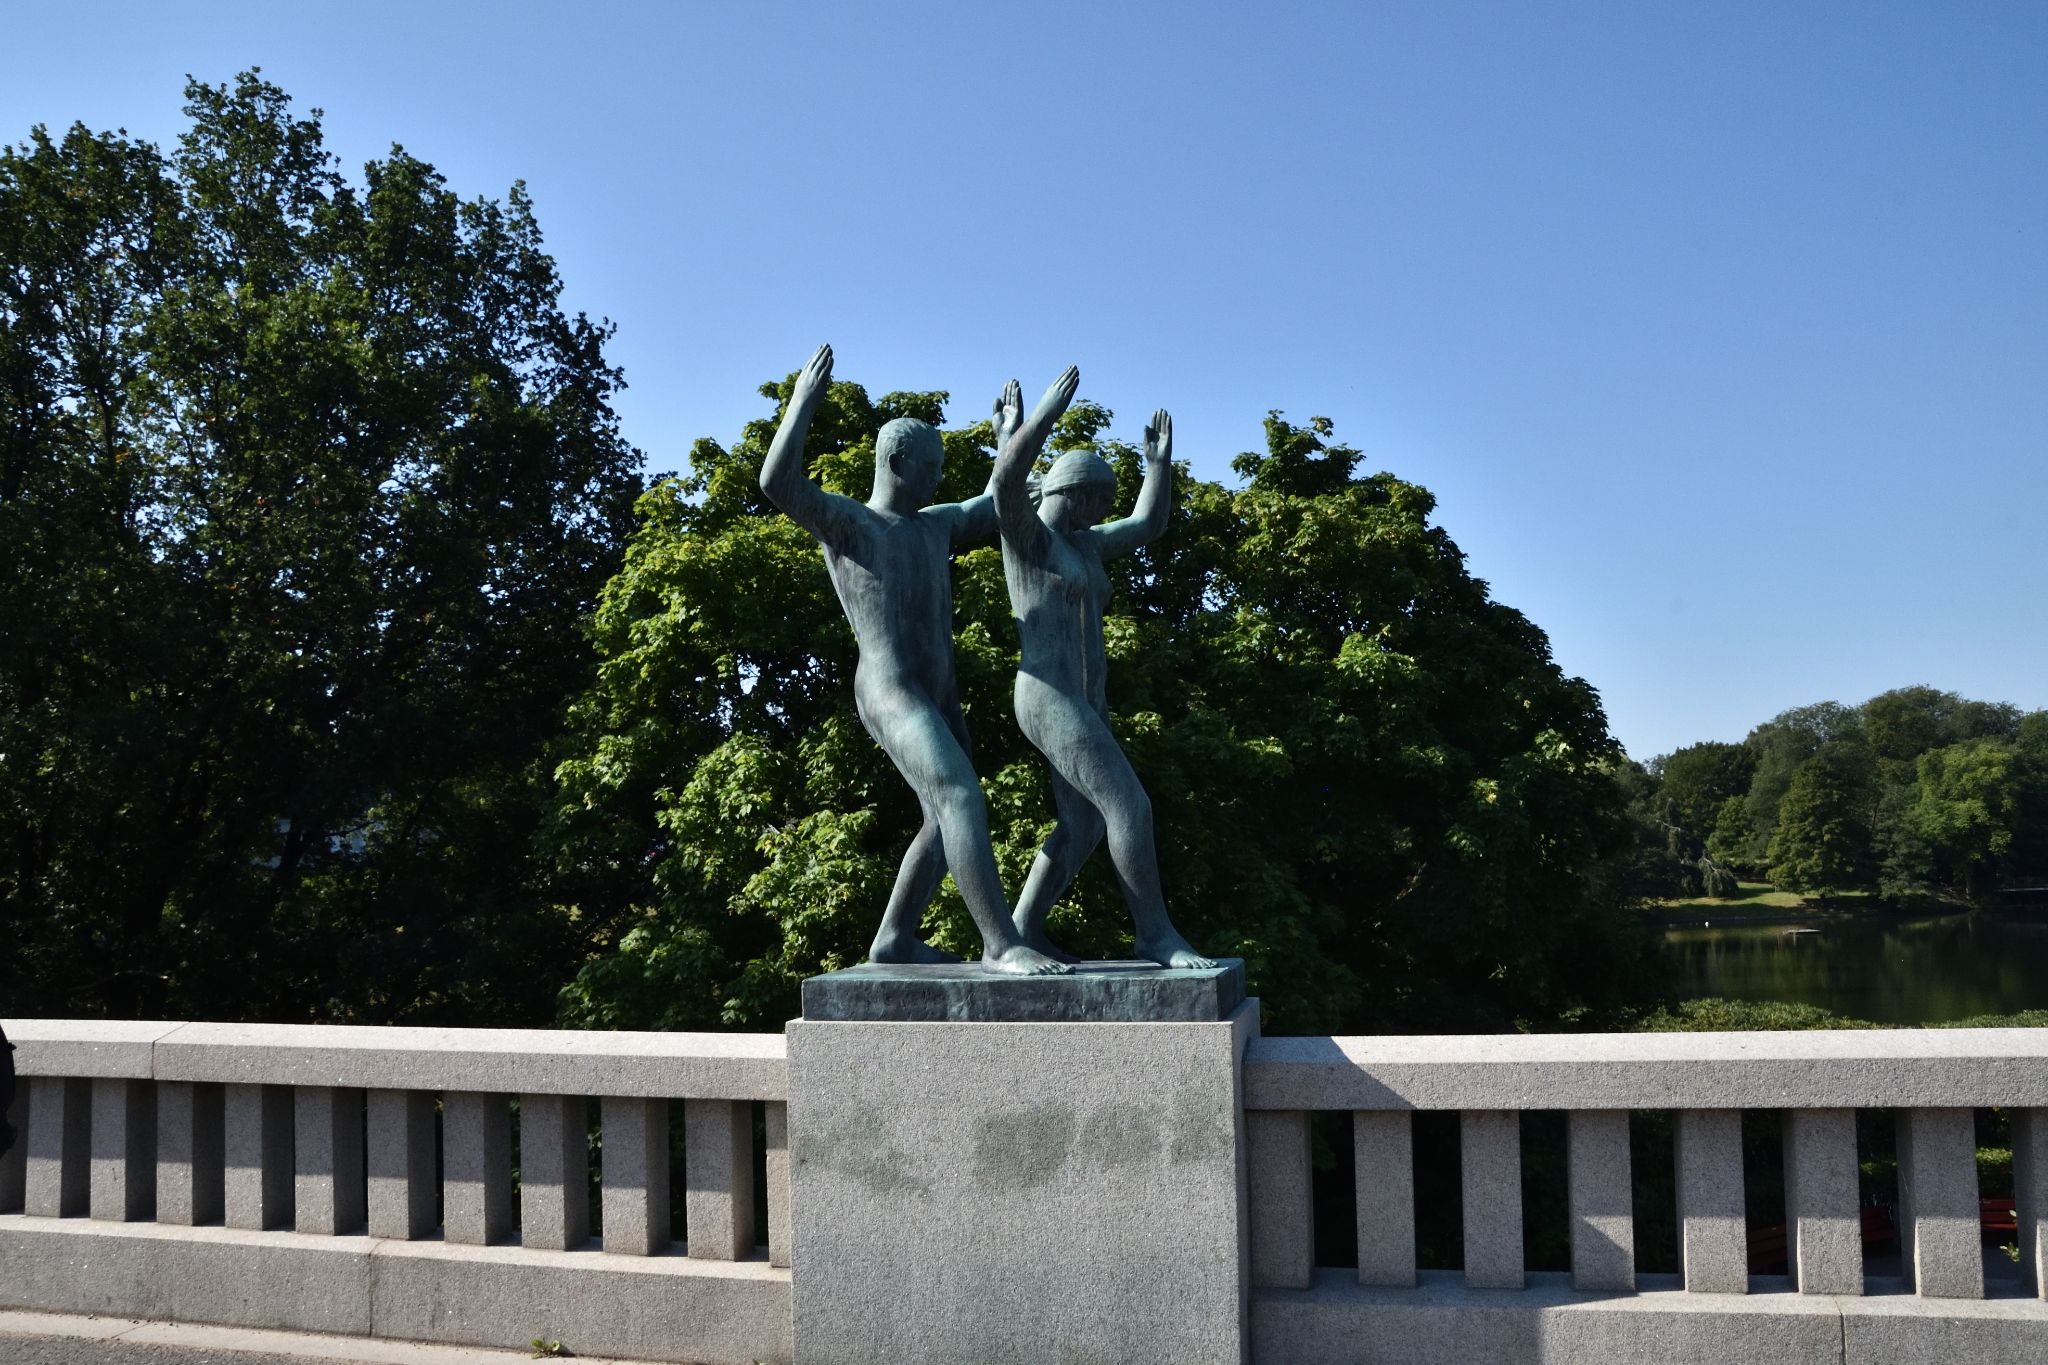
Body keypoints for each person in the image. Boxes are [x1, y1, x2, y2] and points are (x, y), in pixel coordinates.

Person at [759, 345, 1072, 975]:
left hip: (937, 691)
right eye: (929, 467)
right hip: (891, 690)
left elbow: (991, 502)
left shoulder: (933, 527)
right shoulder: (852, 525)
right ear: (898, 462)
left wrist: (1010, 437)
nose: (935, 479)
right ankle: (1000, 942)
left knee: (942, 813)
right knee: (960, 797)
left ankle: (894, 939)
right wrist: (802, 404)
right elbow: (778, 484)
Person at [990, 380, 1216, 970]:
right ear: (1076, 493)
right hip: (1047, 694)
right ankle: (1156, 936)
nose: (1101, 515)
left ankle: (1022, 929)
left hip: (1086, 699)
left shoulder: (1086, 546)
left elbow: (1147, 525)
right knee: (1130, 807)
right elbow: (1007, 483)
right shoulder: (1030, 539)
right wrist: (1031, 422)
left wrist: (1156, 467)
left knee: (1084, 823)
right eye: (1096, 501)